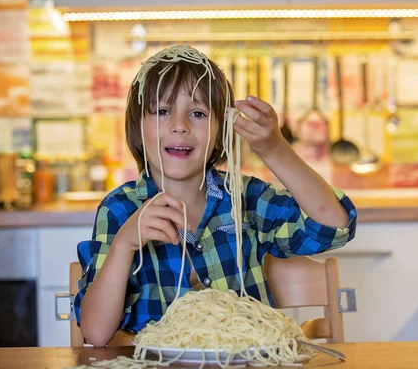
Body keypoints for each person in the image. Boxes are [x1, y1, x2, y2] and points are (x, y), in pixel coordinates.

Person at [74, 45, 358, 347]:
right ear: (137, 125)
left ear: (221, 129)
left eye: (197, 113)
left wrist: (274, 149)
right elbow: (96, 333)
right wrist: (124, 245)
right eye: (162, 111)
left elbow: (333, 225)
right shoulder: (120, 210)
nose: (180, 126)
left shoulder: (244, 198)